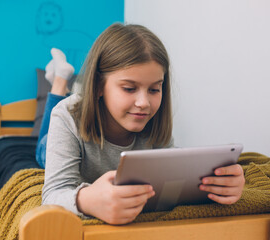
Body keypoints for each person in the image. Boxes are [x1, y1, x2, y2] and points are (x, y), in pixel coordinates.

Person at [39, 23, 245, 225]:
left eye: (154, 90)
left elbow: (173, 178)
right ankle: (59, 80)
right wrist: (85, 199)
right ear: (99, 85)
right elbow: (53, 194)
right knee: (42, 148)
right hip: (62, 135)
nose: (144, 103)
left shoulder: (153, 120)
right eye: (129, 88)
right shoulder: (66, 117)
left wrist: (222, 185)